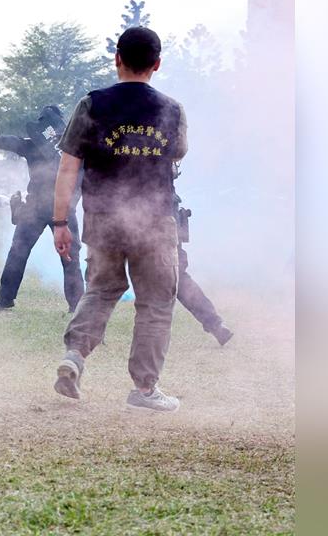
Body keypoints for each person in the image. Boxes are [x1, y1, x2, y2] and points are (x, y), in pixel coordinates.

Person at [51, 26, 188, 412]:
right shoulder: (172, 109)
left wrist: (60, 222)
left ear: (117, 59)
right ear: (157, 64)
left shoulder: (92, 104)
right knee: (156, 303)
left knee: (101, 290)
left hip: (102, 216)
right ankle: (144, 391)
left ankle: (74, 356)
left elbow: (66, 168)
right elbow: (178, 153)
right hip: (156, 219)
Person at [0, 106, 85, 311]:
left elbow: (16, 142)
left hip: (48, 206)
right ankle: (75, 305)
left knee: (22, 252)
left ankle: (5, 299)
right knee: (64, 256)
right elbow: (16, 143)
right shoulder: (71, 147)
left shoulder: (67, 147)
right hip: (48, 207)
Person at [173, 194, 234, 345]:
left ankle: (216, 326)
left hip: (162, 225)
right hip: (154, 221)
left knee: (179, 281)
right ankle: (216, 326)